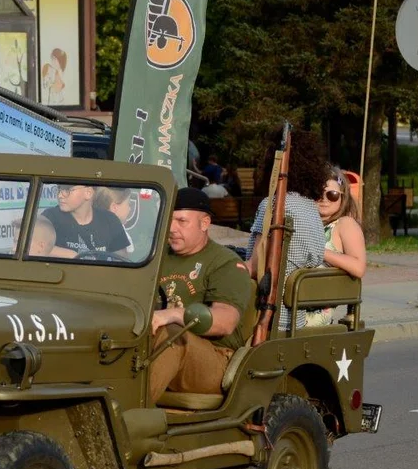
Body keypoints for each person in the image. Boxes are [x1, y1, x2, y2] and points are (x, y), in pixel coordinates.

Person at [149, 188, 253, 403]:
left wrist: (173, 314)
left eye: (181, 221)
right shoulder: (155, 256)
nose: (171, 228)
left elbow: (225, 321)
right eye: (168, 219)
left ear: (204, 223)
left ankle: (123, 416)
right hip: (160, 349)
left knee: (172, 334)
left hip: (214, 359)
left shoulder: (225, 263)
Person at [244, 129, 328, 331]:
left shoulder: (273, 206)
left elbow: (254, 267)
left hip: (263, 315)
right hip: (294, 318)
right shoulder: (312, 210)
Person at [304, 166, 367, 326]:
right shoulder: (306, 222)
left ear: (342, 198)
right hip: (296, 295)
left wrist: (319, 251)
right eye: (318, 193)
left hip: (313, 306)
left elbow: (358, 267)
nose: (324, 199)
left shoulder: (345, 224)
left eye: (332, 195)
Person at [42, 183, 130, 258]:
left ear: (88, 193)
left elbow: (121, 259)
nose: (60, 195)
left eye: (67, 190)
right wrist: (71, 255)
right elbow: (36, 248)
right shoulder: (50, 217)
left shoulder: (110, 220)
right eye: (59, 189)